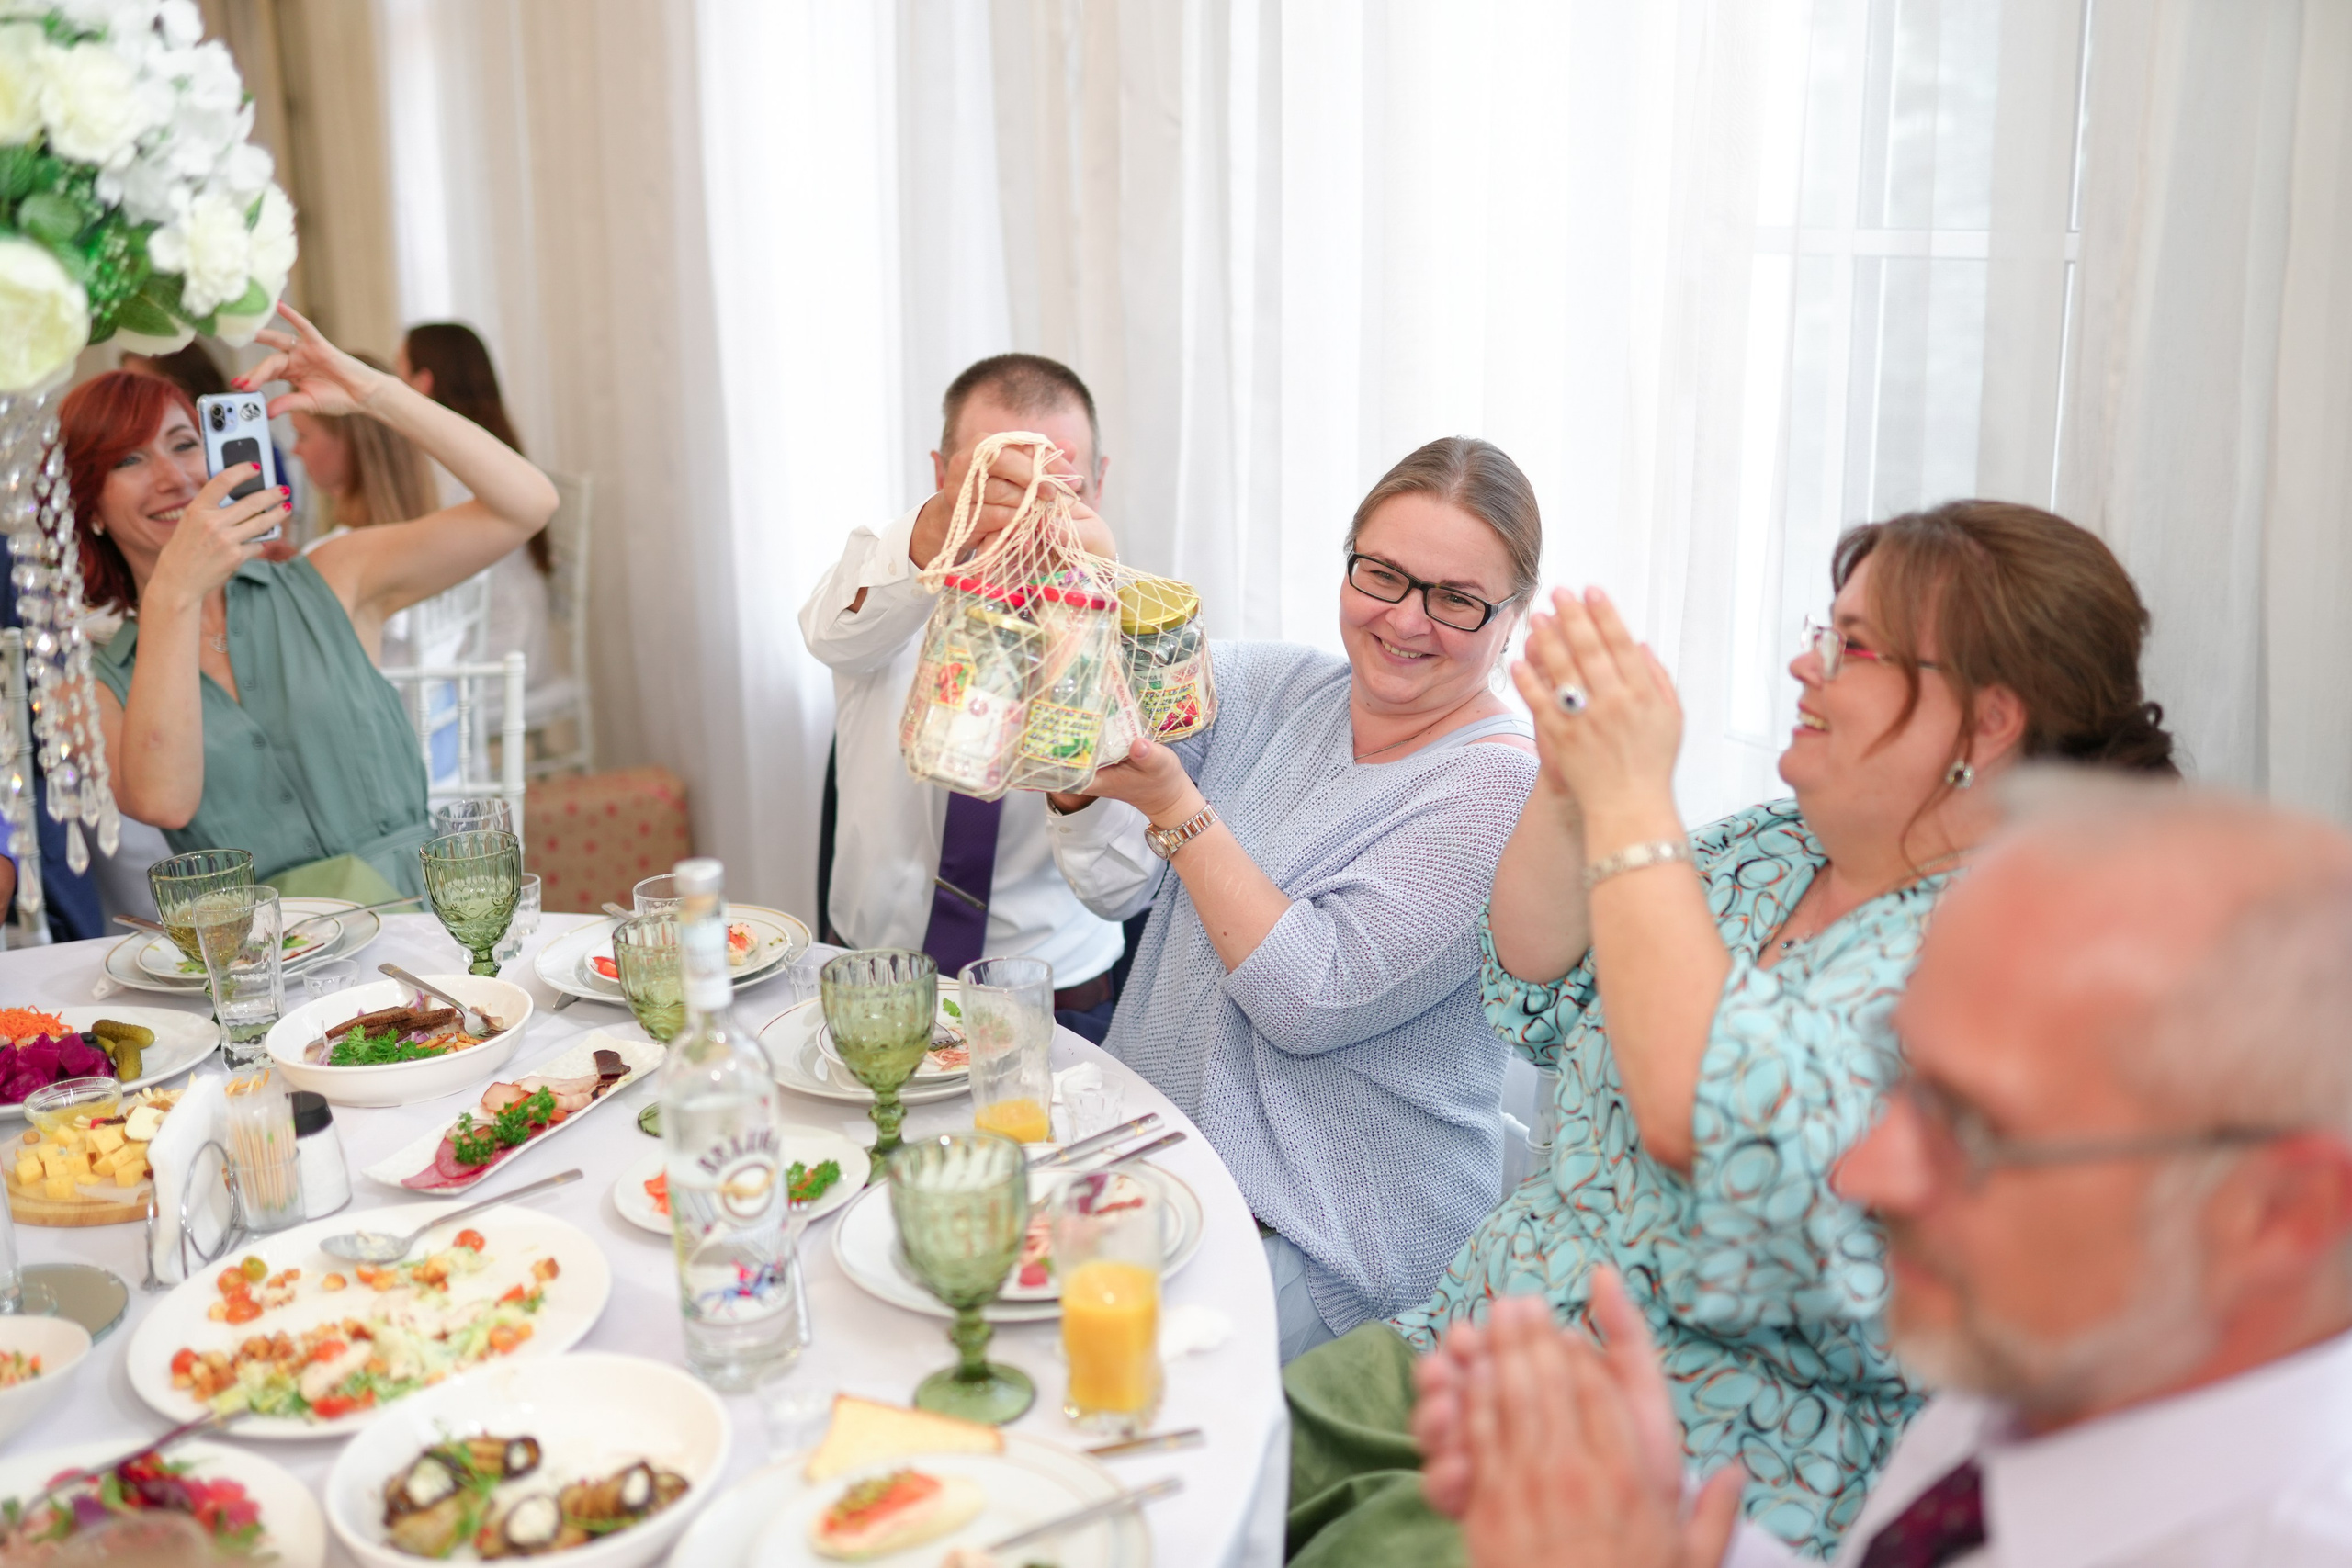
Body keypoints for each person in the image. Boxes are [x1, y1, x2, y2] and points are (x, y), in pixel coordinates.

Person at [1283, 500, 2179, 1563]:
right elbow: (1535, 985)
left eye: (1852, 648)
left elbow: (1715, 1125)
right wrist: (1572, 789)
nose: (1806, 669)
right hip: (1470, 1340)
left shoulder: (2018, 948)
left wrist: (1628, 799)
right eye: (1820, 632)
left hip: (1665, 1471)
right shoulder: (1776, 846)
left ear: (1987, 722)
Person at [1418, 779, 2352, 1568]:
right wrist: (1657, 1533)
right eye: (1900, 1083)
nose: (1862, 1170)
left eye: (1972, 1129)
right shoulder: (2043, 1370)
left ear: (2279, 1214)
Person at [1045, 435, 1542, 1360]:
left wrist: (1175, 806)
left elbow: (1308, 997)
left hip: (1329, 1242)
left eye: (1457, 600)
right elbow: (1107, 871)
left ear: (1511, 619)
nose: (1406, 620)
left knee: (1077, 1370)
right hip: (1158, 1168)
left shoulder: (1498, 789)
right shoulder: (1278, 688)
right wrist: (1085, 589)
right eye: (1382, 575)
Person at [78, 303, 558, 902]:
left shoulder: (331, 577)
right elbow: (165, 801)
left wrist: (373, 392)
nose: (173, 477)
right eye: (129, 459)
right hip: (269, 966)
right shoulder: (97, 685)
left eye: (183, 444)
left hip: (426, 928)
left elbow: (527, 504)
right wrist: (174, 592)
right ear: (90, 506)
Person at [798, 355, 1127, 1038]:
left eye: (1056, 483)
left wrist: (1080, 721)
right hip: (873, 978)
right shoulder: (891, 586)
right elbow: (829, 634)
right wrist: (935, 531)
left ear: (1096, 485)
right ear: (942, 475)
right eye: (997, 479)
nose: (1025, 505)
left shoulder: (1140, 633)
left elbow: (1120, 888)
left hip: (1058, 998)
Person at [397, 323, 555, 718]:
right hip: (506, 633)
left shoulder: (457, 473)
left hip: (502, 652)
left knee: (388, 686)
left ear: (424, 382)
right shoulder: (485, 445)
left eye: (399, 374)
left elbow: (435, 574)